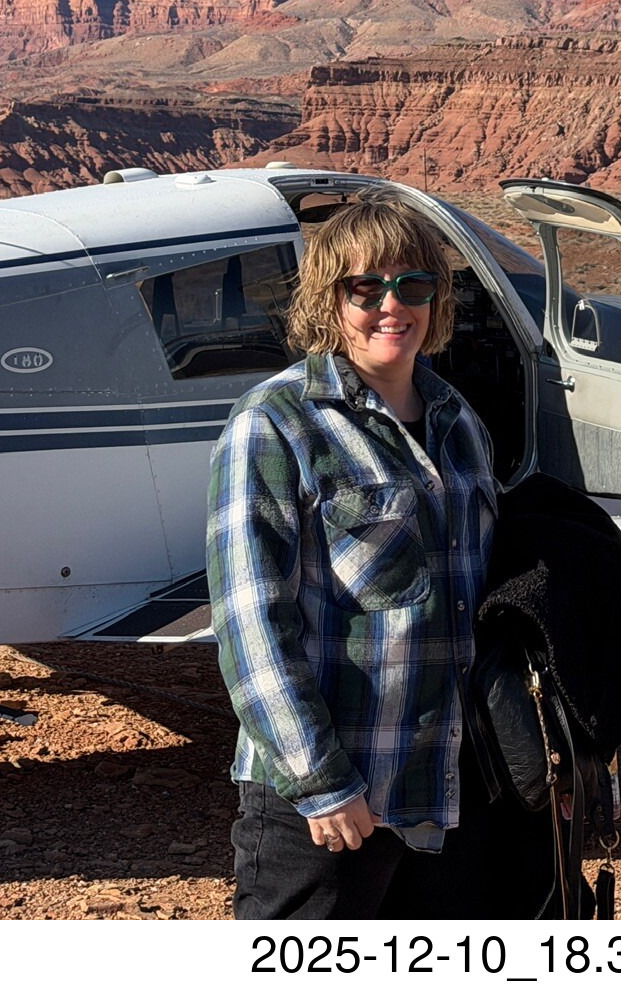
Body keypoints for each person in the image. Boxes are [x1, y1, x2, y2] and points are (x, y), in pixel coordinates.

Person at [205, 190, 499, 920]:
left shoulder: (458, 422)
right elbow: (251, 625)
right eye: (365, 287)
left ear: (437, 297)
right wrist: (321, 783)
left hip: (443, 788)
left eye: (413, 285)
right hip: (330, 804)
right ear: (328, 300)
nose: (391, 305)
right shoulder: (275, 423)